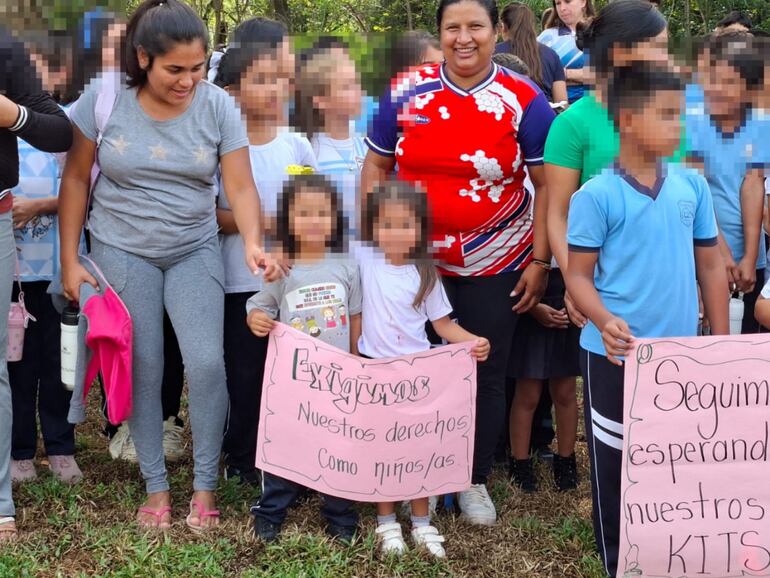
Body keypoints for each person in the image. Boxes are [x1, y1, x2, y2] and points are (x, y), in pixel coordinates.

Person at [60, 0, 266, 531]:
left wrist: (252, 241)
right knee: (145, 365)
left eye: (197, 68)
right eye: (175, 69)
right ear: (143, 58)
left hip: (193, 247)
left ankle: (204, 484)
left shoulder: (217, 105)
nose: (188, 81)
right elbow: (76, 179)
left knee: (206, 364)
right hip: (121, 248)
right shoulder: (105, 99)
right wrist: (69, 260)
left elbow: (240, 186)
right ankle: (156, 486)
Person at [362, 0, 554, 526]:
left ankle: (472, 477)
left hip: (498, 259)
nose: (463, 38)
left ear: (496, 31)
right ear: (440, 33)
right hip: (414, 262)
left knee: (483, 369)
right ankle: (413, 471)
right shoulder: (405, 91)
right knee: (413, 369)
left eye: (475, 27)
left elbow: (547, 186)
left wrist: (540, 261)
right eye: (452, 27)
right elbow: (375, 167)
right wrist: (374, 248)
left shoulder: (525, 98)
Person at [565, 62, 729, 578]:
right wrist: (603, 319)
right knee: (616, 459)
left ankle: (672, 549)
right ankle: (619, 560)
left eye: (681, 115)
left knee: (676, 455)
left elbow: (710, 266)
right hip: (614, 356)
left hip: (680, 357)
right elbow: (578, 277)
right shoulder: (596, 195)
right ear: (629, 120)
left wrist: (719, 344)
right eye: (667, 115)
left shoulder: (691, 187)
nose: (679, 126)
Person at [359, 181, 489, 558]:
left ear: (419, 229)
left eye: (406, 224)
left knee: (418, 450)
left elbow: (443, 325)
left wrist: (473, 341)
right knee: (383, 451)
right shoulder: (365, 261)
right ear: (373, 226)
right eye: (387, 224)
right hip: (376, 375)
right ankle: (386, 521)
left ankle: (421, 522)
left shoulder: (425, 273)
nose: (396, 232)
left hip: (418, 376)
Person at [214, 17, 316, 486]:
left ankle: (286, 457)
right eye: (261, 80)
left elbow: (315, 209)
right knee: (245, 373)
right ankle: (241, 456)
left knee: (288, 372)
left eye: (280, 79)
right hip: (237, 281)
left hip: (291, 284)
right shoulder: (222, 149)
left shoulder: (296, 144)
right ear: (232, 91)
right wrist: (265, 224)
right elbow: (213, 216)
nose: (274, 90)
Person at [247, 174, 361, 544]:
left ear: (336, 219)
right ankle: (271, 510)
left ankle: (340, 514)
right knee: (286, 441)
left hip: (337, 378)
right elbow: (260, 305)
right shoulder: (282, 268)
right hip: (293, 379)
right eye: (303, 213)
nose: (314, 221)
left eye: (322, 213)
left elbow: (356, 316)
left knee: (338, 444)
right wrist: (256, 318)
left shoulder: (347, 266)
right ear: (287, 220)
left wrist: (356, 360)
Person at [0, 24, 73, 542]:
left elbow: (60, 134)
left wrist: (12, 115)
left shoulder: (3, 48)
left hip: (18, 240)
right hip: (18, 257)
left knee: (20, 365)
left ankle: (3, 498)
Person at [545, 0, 669, 304]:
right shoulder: (572, 124)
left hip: (668, 285)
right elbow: (558, 215)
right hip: (604, 289)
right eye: (658, 48)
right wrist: (577, 284)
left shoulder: (670, 117)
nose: (666, 59)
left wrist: (697, 277)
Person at [685, 33, 768, 334]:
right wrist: (723, 252)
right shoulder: (692, 123)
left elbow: (753, 184)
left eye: (730, 82)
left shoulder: (760, 124)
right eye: (713, 80)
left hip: (749, 259)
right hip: (701, 252)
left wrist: (749, 256)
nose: (717, 90)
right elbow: (698, 191)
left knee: (745, 338)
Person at [294, 38, 366, 234]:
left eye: (357, 83)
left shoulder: (367, 146)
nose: (359, 92)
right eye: (347, 86)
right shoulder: (308, 152)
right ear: (321, 100)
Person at [496, 3, 568, 104]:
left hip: (506, 110)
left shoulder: (492, 53)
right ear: (531, 26)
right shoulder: (551, 55)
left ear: (503, 26)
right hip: (544, 111)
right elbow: (562, 103)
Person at [538, 0, 595, 103]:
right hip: (558, 108)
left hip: (598, 106)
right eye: (558, 3)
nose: (562, 8)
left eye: (567, 1)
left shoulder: (602, 32)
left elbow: (610, 75)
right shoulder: (546, 38)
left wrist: (563, 75)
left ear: (583, 2)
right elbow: (538, 76)